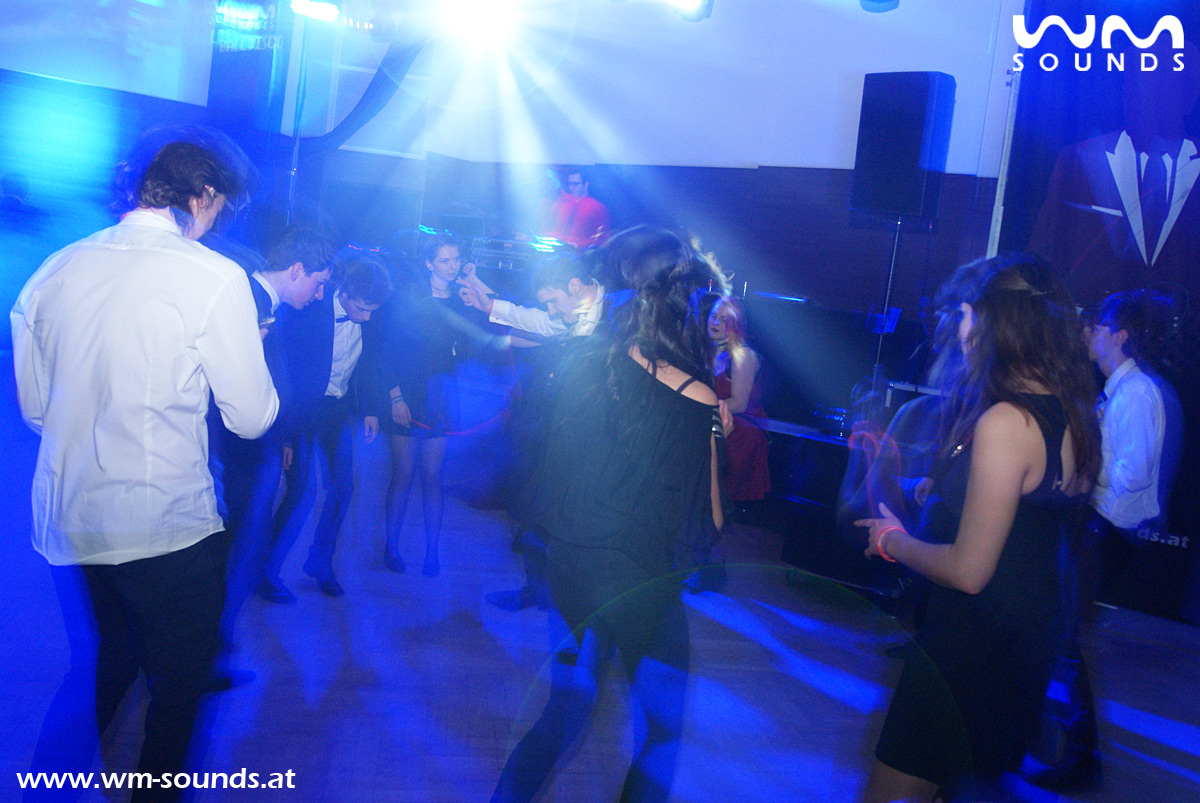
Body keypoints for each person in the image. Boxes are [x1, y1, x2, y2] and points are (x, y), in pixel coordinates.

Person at [11, 141, 278, 799]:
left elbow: (37, 409)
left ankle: (68, 779)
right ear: (203, 195)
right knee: (177, 688)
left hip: (77, 515)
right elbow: (250, 417)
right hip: (165, 521)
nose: (216, 223)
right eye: (220, 209)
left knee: (115, 652)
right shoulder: (212, 276)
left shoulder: (56, 266)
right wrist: (250, 352)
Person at [490, 226, 728, 803]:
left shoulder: (588, 362)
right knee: (664, 733)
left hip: (570, 566)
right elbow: (708, 523)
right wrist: (716, 436)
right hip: (635, 578)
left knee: (565, 709)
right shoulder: (695, 396)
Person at [856, 253, 1101, 802]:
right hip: (1021, 647)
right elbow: (1030, 529)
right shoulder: (1076, 413)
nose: (961, 331)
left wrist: (893, 541)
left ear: (999, 322)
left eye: (967, 314)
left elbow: (970, 571)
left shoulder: (1007, 422)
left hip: (967, 650)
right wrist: (944, 495)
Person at [1031, 288, 1184, 791]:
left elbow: (1132, 474)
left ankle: (1081, 758)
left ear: (1119, 336)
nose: (1091, 333)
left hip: (1108, 528)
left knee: (1072, 640)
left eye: (1099, 327)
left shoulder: (1136, 393)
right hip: (1102, 525)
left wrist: (1082, 477)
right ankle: (1070, 746)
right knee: (1068, 636)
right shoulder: (1123, 388)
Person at [258, 252, 391, 600]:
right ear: (344, 292)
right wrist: (287, 436)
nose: (366, 317)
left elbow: (373, 363)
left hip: (338, 409)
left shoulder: (370, 314)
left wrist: (372, 409)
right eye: (361, 308)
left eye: (372, 311)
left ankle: (320, 563)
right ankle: (266, 570)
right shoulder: (310, 309)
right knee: (300, 492)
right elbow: (291, 377)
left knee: (343, 488)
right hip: (303, 411)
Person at [371, 234, 493, 577]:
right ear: (429, 264)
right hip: (408, 391)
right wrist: (395, 397)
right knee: (403, 472)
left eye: (456, 259)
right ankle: (391, 548)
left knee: (432, 475)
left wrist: (473, 284)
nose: (452, 266)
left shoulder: (462, 298)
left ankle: (432, 553)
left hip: (442, 392)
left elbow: (492, 322)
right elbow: (389, 352)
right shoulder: (411, 298)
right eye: (444, 260)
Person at [708, 295, 770, 504]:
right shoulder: (709, 350)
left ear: (735, 325)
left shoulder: (743, 355)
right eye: (713, 316)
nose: (715, 322)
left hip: (739, 437)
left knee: (725, 501)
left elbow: (739, 403)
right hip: (718, 428)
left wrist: (701, 407)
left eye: (724, 320)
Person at [538, 167, 611, 250]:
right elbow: (553, 228)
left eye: (575, 184)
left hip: (580, 254)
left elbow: (602, 240)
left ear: (586, 184)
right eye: (569, 184)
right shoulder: (561, 204)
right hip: (558, 250)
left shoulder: (598, 207)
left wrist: (578, 245)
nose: (571, 188)